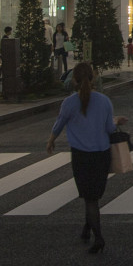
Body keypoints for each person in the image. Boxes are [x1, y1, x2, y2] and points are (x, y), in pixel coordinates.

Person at [45, 61, 124, 254]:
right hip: (102, 154)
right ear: (93, 77)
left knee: (90, 198)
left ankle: (99, 238)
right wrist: (117, 122)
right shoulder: (104, 101)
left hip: (81, 156)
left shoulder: (69, 102)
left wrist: (51, 140)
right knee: (93, 197)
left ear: (74, 80)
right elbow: (109, 128)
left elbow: (59, 123)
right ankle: (87, 228)